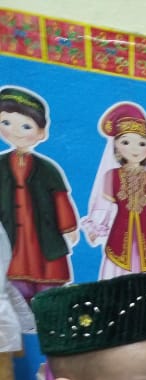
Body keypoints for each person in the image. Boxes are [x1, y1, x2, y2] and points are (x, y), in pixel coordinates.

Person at [81, 101, 146, 318]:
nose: (135, 149)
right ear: (116, 146)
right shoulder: (112, 177)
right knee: (117, 275)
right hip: (120, 238)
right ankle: (115, 316)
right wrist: (96, 226)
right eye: (126, 142)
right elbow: (104, 206)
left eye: (141, 143)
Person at [0, 85, 79, 303]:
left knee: (48, 285)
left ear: (41, 133)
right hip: (11, 236)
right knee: (13, 284)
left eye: (26, 126)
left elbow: (60, 199)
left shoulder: (47, 169)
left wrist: (69, 228)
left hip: (43, 235)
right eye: (6, 123)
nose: (15, 131)